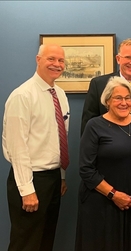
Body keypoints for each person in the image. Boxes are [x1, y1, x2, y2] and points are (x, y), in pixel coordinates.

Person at [3, 44, 70, 251]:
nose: (57, 64)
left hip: (52, 179)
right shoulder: (22, 96)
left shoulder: (60, 94)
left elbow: (60, 139)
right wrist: (26, 190)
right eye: (51, 59)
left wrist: (60, 176)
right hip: (30, 179)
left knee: (45, 240)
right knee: (26, 243)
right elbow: (17, 147)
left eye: (61, 61)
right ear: (38, 59)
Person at [75, 77, 131, 250]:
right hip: (102, 204)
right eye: (118, 98)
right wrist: (113, 195)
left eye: (128, 98)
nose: (124, 103)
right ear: (107, 100)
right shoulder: (94, 125)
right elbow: (86, 169)